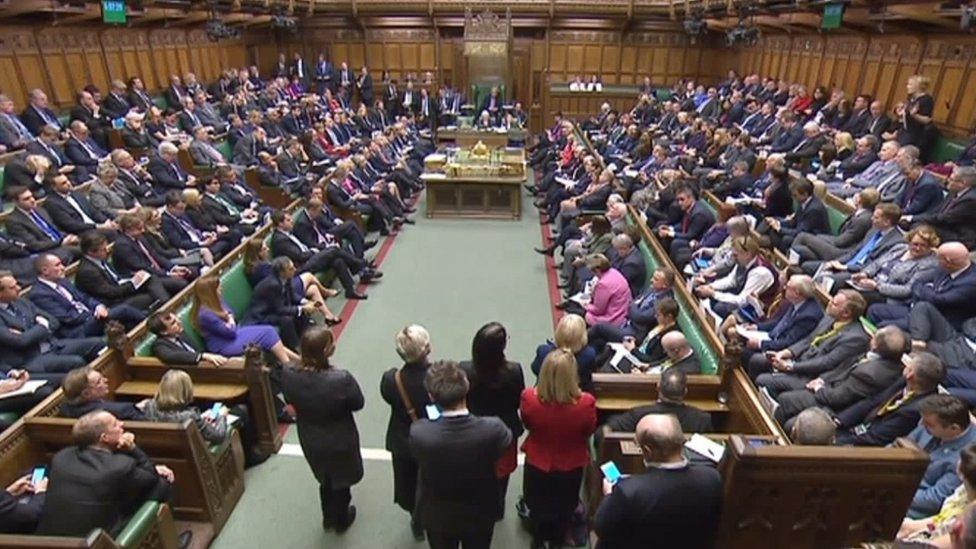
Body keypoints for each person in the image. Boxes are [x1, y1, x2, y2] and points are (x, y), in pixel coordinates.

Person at [409, 360, 512, 549]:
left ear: (431, 396)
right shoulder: (493, 429)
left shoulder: (419, 433)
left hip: (438, 516)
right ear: (467, 387)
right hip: (479, 513)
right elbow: (504, 444)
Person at [36, 410, 178, 540]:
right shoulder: (119, 467)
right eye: (115, 424)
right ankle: (170, 541)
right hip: (99, 541)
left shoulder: (62, 456)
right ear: (105, 437)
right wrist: (133, 448)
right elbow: (151, 477)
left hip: (52, 539)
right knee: (162, 484)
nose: (122, 424)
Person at [593, 414, 722, 549]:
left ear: (647, 450)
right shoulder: (711, 478)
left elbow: (602, 527)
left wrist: (609, 495)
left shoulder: (628, 492)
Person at [281, 327, 364, 532]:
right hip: (340, 438)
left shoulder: (289, 373)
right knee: (341, 481)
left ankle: (328, 518)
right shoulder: (341, 379)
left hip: (310, 436)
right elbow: (358, 403)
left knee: (325, 477)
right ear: (328, 351)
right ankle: (341, 520)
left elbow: (290, 399)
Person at [520, 349, 596, 548]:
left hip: (538, 463)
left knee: (536, 507)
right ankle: (557, 542)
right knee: (565, 509)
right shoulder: (585, 403)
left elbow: (527, 424)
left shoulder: (529, 398)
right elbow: (588, 430)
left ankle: (537, 542)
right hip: (570, 466)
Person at [774, 325, 908, 429]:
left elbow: (837, 398)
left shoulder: (869, 374)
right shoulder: (889, 359)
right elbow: (844, 367)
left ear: (875, 344)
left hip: (835, 408)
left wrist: (819, 388)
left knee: (785, 401)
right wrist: (823, 379)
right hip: (831, 386)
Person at [458, 322, 525, 521]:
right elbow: (517, 400)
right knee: (501, 476)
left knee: (476, 472)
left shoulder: (465, 369)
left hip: (474, 432)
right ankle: (497, 509)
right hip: (505, 433)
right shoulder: (514, 371)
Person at [380, 324, 433, 541]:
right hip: (431, 440)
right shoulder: (436, 378)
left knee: (408, 483)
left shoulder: (391, 379)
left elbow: (388, 398)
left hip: (402, 440)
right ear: (427, 348)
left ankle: (416, 519)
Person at [0, 272, 104, 377]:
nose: (18, 288)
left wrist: (29, 333)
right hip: (33, 358)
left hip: (54, 345)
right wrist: (42, 325)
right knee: (76, 362)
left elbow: (53, 322)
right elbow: (21, 341)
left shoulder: (21, 302)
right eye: (12, 287)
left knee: (99, 343)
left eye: (17, 284)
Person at [835, 351, 946, 446]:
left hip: (868, 444)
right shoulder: (904, 382)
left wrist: (835, 442)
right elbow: (873, 401)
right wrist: (839, 421)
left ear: (910, 374)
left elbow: (875, 439)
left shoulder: (915, 410)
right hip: (859, 427)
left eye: (909, 365)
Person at [29, 253, 146, 338]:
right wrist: (93, 315)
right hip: (78, 329)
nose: (63, 268)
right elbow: (67, 318)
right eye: (57, 265)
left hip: (91, 318)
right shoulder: (39, 294)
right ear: (45, 270)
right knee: (124, 310)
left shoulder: (62, 281)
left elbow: (84, 298)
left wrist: (98, 306)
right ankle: (154, 326)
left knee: (128, 322)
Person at [190, 276, 299, 365]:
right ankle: (289, 367)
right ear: (210, 292)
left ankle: (299, 361)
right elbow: (230, 332)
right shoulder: (204, 314)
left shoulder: (215, 301)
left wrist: (229, 320)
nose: (221, 290)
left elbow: (229, 312)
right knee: (268, 332)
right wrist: (230, 320)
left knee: (269, 334)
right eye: (218, 288)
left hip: (234, 334)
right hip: (224, 345)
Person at [905, 395, 976, 519]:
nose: (922, 425)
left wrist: (894, 491)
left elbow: (935, 498)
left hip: (913, 505)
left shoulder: (965, 458)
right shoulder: (929, 424)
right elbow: (901, 445)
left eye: (928, 425)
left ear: (954, 428)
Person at [898, 444, 976, 547]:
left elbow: (938, 543)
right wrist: (910, 526)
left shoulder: (970, 520)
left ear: (961, 472)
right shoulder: (963, 492)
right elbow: (939, 521)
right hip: (926, 534)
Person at [602, 368, 713, 435]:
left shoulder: (638, 414)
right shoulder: (702, 419)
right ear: (685, 391)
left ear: (658, 387)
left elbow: (603, 433)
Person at [531, 314, 597, 392]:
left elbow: (535, 369)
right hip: (575, 396)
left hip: (546, 393)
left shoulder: (543, 351)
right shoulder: (588, 355)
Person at [59, 365, 146, 420]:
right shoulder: (121, 410)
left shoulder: (64, 408)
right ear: (86, 393)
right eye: (99, 381)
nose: (105, 380)